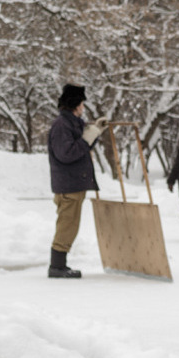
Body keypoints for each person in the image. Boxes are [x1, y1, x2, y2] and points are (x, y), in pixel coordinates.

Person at [47, 83, 108, 278]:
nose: (83, 107)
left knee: (70, 225)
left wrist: (94, 131)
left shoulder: (71, 122)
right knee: (67, 225)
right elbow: (66, 153)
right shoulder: (62, 125)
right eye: (81, 103)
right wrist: (87, 137)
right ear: (75, 104)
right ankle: (57, 266)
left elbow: (82, 145)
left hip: (73, 183)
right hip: (68, 185)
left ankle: (59, 265)